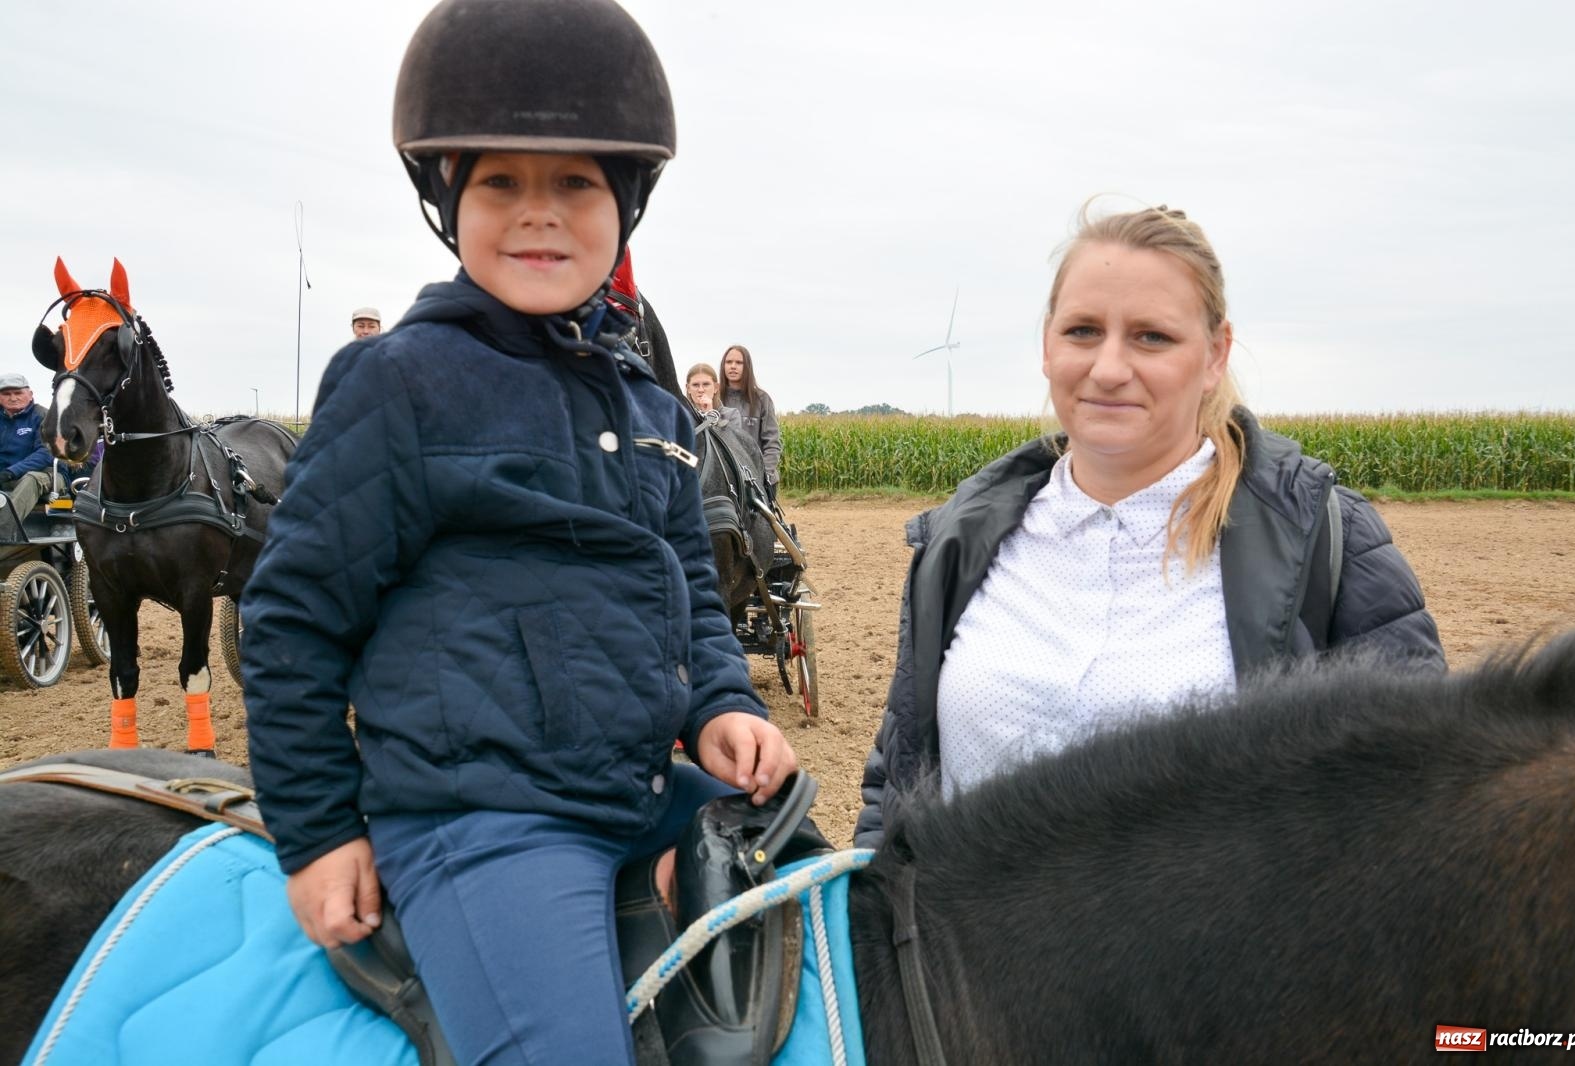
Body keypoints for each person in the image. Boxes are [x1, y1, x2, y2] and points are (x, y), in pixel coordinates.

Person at [240, 3, 797, 1064]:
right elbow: (292, 618)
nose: (538, 213)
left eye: (574, 183)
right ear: (451, 199)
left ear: (623, 203)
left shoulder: (652, 407)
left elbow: (684, 578)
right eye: (501, 182)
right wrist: (315, 833)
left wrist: (723, 700)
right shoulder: (400, 383)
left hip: (642, 784)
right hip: (487, 818)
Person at [854, 203, 1445, 849]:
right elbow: (898, 782)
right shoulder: (959, 545)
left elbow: (1421, 798)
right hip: (956, 947)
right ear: (1046, 344)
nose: (1108, 368)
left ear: (1215, 354)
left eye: (1151, 337)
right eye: (1082, 330)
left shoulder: (1327, 540)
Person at [718, 344, 781, 494]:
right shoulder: (715, 400)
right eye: (729, 362)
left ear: (747, 367)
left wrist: (763, 475)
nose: (733, 366)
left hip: (758, 479)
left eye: (739, 363)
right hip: (726, 480)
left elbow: (772, 443)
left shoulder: (761, 399)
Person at [0, 372, 54, 518]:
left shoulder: (44, 416)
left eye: (18, 393)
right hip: (7, 477)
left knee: (31, 479)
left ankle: (4, 530)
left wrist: (11, 472)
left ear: (30, 394)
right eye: (6, 394)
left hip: (47, 474)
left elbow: (46, 454)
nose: (13, 398)